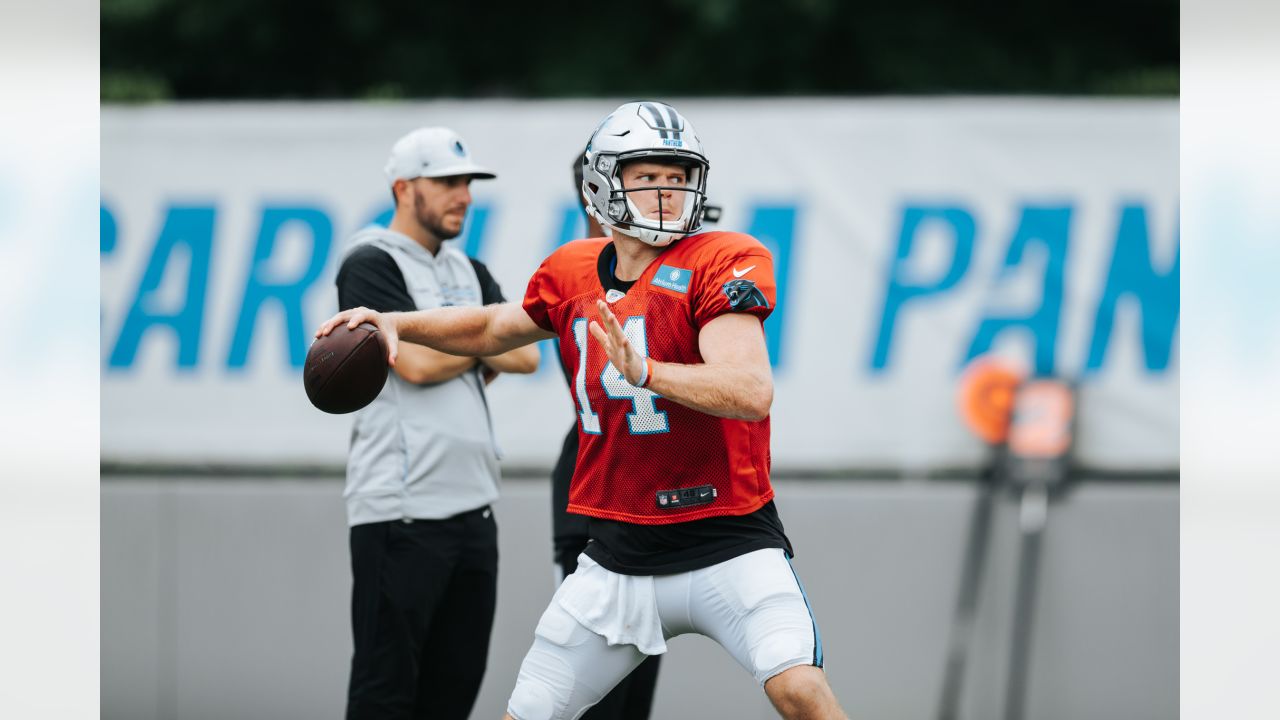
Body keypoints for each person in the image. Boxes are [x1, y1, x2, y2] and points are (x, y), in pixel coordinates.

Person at [317, 102, 846, 720]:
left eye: (677, 178)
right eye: (648, 177)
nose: (666, 194)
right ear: (602, 182)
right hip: (617, 554)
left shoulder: (723, 256)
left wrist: (648, 372)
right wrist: (394, 322)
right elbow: (494, 326)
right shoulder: (571, 269)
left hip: (727, 537)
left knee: (799, 691)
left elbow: (750, 388)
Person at [335, 126, 540, 720]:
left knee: (453, 693)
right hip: (400, 511)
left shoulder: (468, 267)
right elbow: (417, 365)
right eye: (448, 182)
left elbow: (526, 353)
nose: (464, 195)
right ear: (404, 187)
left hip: (474, 510)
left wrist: (463, 342)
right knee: (385, 693)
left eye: (468, 183)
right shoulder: (368, 261)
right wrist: (479, 343)